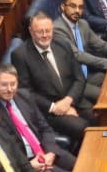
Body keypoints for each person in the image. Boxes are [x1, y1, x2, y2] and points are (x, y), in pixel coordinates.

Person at [0, 62, 76, 172]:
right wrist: (29, 166)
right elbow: (5, 151)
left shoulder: (24, 96)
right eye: (4, 85)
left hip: (47, 151)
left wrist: (51, 152)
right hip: (30, 164)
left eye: (13, 84)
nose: (10, 89)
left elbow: (44, 128)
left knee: (84, 168)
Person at [11, 12, 92, 147]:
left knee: (99, 117)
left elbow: (79, 78)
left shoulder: (62, 44)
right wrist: (55, 107)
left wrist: (68, 101)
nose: (45, 35)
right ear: (31, 31)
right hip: (49, 110)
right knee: (83, 128)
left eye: (48, 31)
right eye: (40, 32)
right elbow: (26, 93)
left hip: (72, 99)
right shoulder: (20, 55)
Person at [53, 0, 107, 99]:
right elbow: (77, 55)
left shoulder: (83, 24)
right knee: (106, 96)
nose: (77, 10)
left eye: (80, 7)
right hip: (73, 82)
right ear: (63, 7)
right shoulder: (57, 29)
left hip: (88, 75)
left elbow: (100, 45)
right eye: (73, 6)